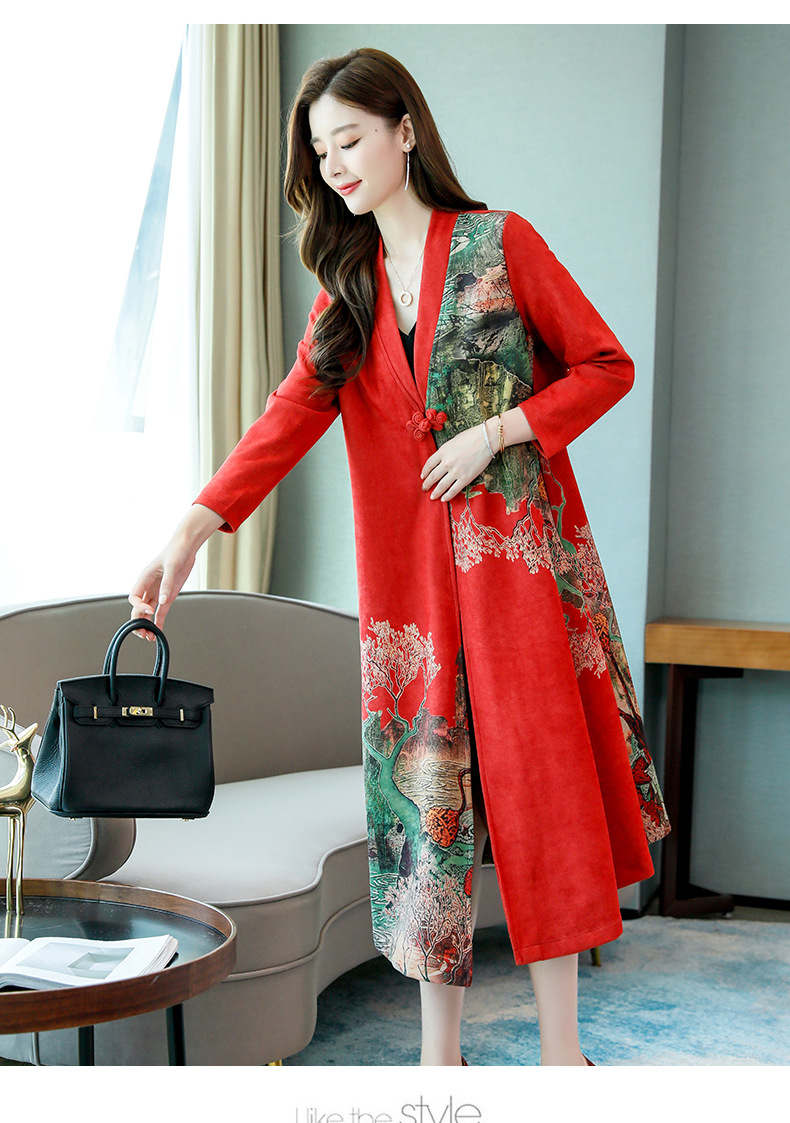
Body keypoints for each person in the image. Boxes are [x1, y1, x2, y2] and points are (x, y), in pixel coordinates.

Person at [130, 47, 671, 1067]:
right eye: (320, 149)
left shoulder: (501, 244)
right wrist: (190, 530)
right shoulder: (347, 290)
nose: (334, 164)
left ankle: (563, 1054)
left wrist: (497, 431)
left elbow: (606, 365)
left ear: (405, 131)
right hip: (410, 598)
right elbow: (285, 419)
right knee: (424, 810)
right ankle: (438, 1057)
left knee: (542, 795)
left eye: (350, 138)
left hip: (518, 578)